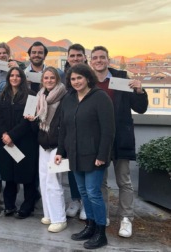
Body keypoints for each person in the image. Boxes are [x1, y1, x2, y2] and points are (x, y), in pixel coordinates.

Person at [55, 63, 115, 249]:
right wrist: (60, 152)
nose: (76, 81)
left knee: (94, 193)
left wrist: (102, 155)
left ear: (88, 77)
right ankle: (89, 226)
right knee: (83, 193)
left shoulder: (100, 98)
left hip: (94, 156)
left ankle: (100, 232)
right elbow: (64, 128)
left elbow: (108, 130)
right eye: (73, 79)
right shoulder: (69, 99)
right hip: (74, 155)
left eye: (79, 77)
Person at [90, 46, 148, 238]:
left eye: (102, 57)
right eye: (95, 58)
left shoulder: (122, 78)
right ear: (91, 61)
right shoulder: (88, 82)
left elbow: (140, 108)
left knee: (124, 181)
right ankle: (103, 215)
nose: (99, 60)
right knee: (101, 182)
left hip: (120, 138)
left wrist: (140, 91)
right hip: (98, 141)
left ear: (108, 60)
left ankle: (126, 218)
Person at [25, 67, 68, 232]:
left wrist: (61, 150)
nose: (49, 81)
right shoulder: (40, 96)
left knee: (53, 180)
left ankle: (59, 218)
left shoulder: (65, 96)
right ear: (42, 80)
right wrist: (31, 120)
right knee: (43, 178)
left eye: (52, 78)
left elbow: (66, 123)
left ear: (57, 79)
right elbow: (37, 123)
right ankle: (49, 213)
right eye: (46, 78)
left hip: (57, 144)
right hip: (43, 141)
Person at [0, 67, 40, 219]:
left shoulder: (31, 96)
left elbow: (26, 122)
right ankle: (9, 206)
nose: (14, 78)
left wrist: (12, 135)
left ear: (22, 78)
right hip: (6, 143)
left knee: (27, 177)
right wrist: (4, 134)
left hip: (25, 142)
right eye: (12, 75)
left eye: (17, 76)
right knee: (9, 177)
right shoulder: (2, 96)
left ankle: (27, 207)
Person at [0, 42, 22, 195]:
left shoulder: (15, 69)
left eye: (4, 53)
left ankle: (13, 178)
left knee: (12, 145)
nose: (2, 55)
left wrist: (16, 68)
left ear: (8, 54)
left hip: (13, 111)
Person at [63, 43, 88, 220]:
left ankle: (86, 203)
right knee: (72, 167)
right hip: (68, 129)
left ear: (84, 57)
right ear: (68, 58)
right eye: (72, 56)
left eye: (79, 55)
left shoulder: (90, 77)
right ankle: (75, 200)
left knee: (88, 168)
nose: (75, 59)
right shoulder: (62, 76)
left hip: (87, 130)